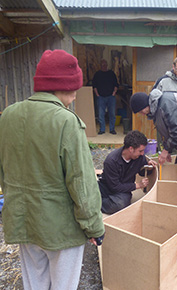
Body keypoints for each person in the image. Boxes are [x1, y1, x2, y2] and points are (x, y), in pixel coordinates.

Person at [0, 49, 105, 290]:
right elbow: (81, 182)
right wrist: (94, 226)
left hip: (23, 221)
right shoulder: (67, 121)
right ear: (65, 85)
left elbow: (4, 170)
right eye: (75, 87)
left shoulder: (8, 116)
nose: (77, 94)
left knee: (34, 284)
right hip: (61, 228)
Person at [98, 130, 157, 214]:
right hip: (107, 186)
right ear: (131, 149)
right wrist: (137, 185)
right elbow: (115, 187)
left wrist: (149, 167)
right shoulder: (111, 161)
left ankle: (96, 203)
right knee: (88, 192)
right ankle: (98, 202)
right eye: (140, 151)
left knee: (120, 204)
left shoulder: (139, 157)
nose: (142, 153)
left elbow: (142, 172)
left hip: (123, 191)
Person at [92, 59, 119, 135]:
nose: (104, 66)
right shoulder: (97, 74)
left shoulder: (111, 73)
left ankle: (112, 129)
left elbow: (116, 84)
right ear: (100, 66)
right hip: (101, 97)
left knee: (112, 114)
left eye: (105, 65)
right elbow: (94, 85)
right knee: (101, 114)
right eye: (102, 65)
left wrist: (114, 93)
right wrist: (97, 94)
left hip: (111, 97)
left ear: (107, 65)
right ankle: (102, 129)